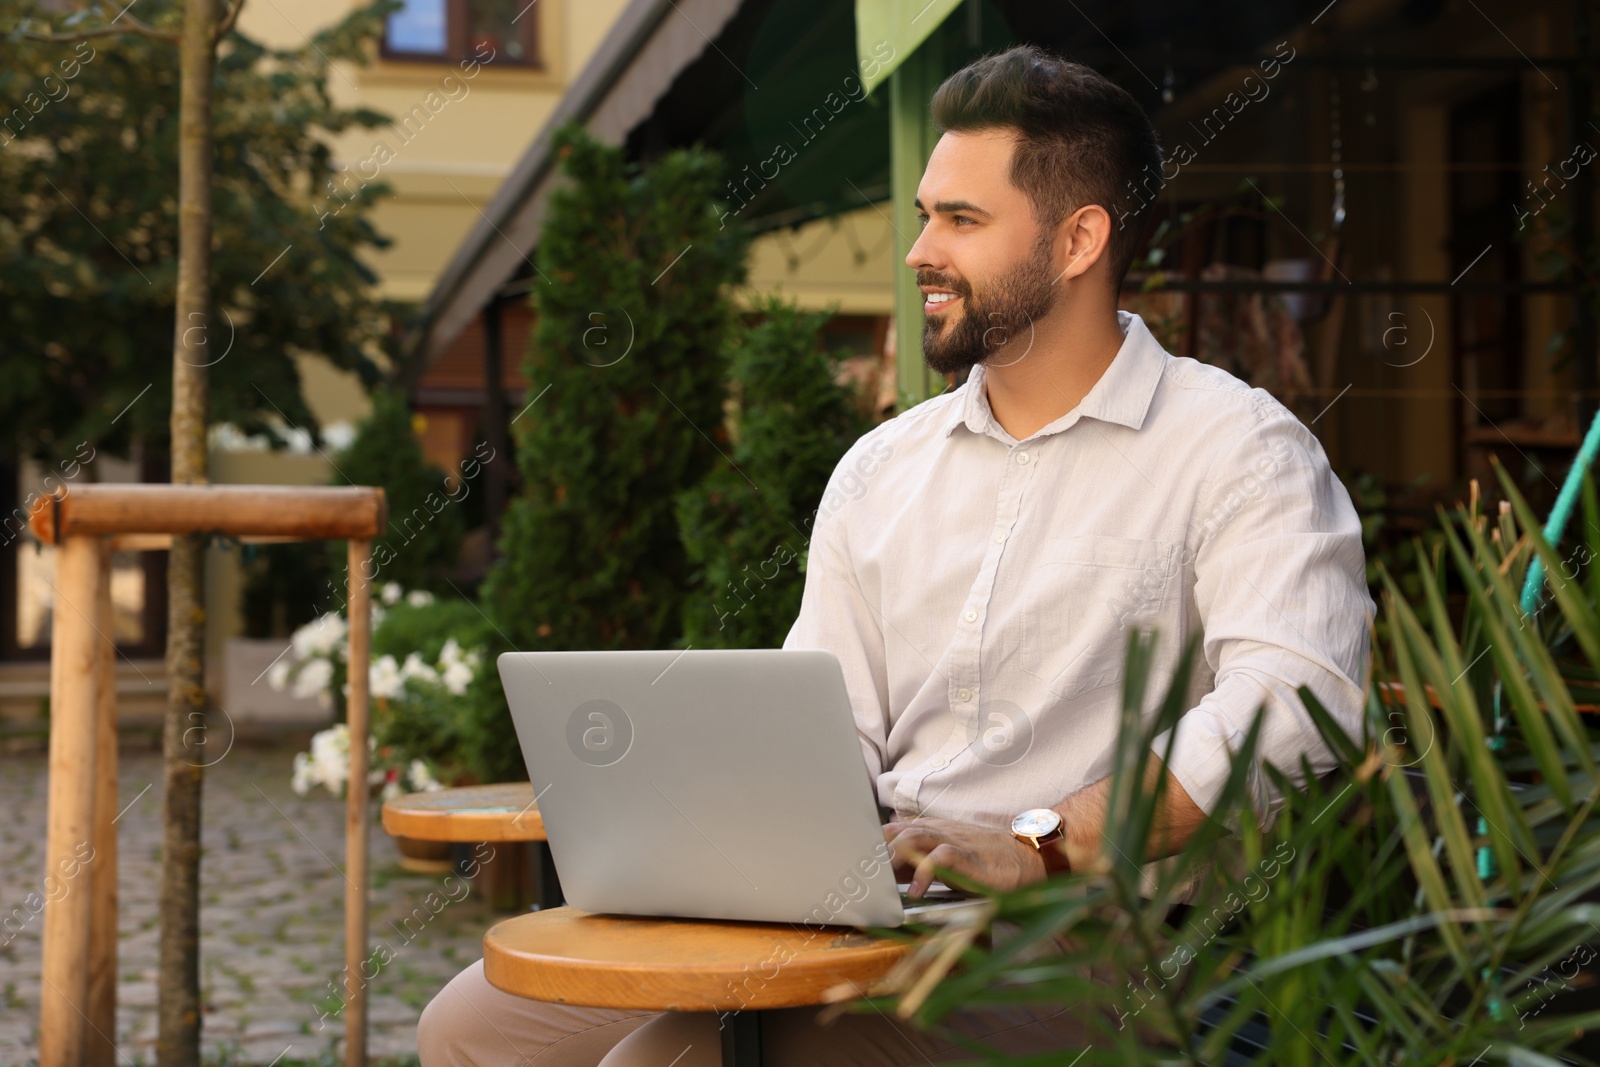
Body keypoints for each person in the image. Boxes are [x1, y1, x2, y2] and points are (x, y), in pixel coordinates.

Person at [417, 43, 1373, 1066]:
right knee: (473, 1027)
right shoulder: (880, 468)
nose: (919, 249)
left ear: (1078, 239)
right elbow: (821, 719)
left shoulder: (1238, 447)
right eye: (924, 214)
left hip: (1100, 944)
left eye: (960, 220)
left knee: (671, 1061)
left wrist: (1035, 843)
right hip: (884, 913)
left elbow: (1297, 702)